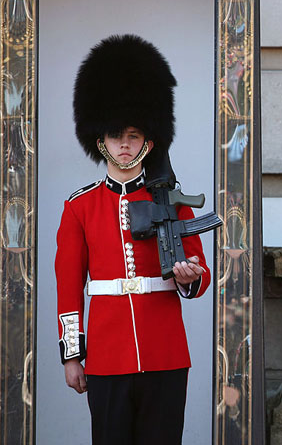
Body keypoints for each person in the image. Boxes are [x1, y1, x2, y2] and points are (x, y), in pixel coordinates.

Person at [55, 34, 211, 444]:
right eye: (115, 135)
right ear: (99, 140)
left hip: (165, 352)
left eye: (134, 135)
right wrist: (73, 355)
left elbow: (199, 273)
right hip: (106, 357)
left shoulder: (172, 199)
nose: (124, 144)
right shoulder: (79, 207)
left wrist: (189, 277)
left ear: (149, 141)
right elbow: (69, 287)